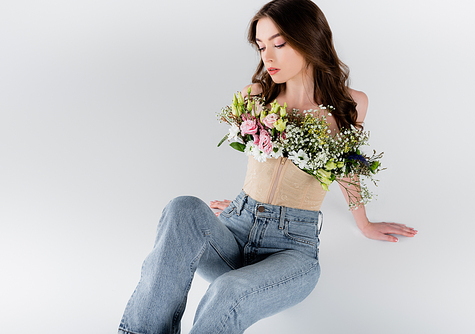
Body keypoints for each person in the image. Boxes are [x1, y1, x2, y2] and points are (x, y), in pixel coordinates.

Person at [118, 1, 417, 333]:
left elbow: (346, 166)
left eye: (279, 43)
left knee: (227, 291)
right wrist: (240, 205)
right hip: (236, 227)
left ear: (309, 38)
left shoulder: (350, 104)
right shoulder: (257, 95)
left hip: (292, 250)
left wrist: (363, 223)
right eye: (262, 47)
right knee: (182, 208)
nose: (268, 58)